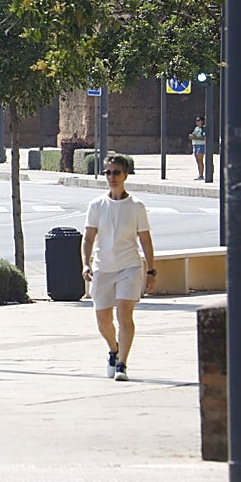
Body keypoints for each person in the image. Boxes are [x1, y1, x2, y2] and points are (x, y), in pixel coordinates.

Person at [82, 153, 156, 382]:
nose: (111, 177)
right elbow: (88, 238)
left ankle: (122, 363)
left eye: (116, 172)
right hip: (102, 268)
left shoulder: (136, 206)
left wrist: (151, 271)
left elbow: (145, 240)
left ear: (125, 175)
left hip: (129, 267)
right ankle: (113, 349)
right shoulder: (96, 205)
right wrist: (85, 263)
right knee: (103, 320)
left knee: (124, 313)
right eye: (107, 172)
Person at [190, 116, 206, 181]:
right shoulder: (196, 128)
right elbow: (193, 135)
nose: (197, 122)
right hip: (195, 145)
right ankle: (199, 174)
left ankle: (201, 175)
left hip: (201, 145)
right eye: (196, 121)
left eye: (198, 120)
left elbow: (203, 137)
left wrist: (195, 137)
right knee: (197, 160)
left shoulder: (203, 128)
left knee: (200, 160)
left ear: (202, 121)